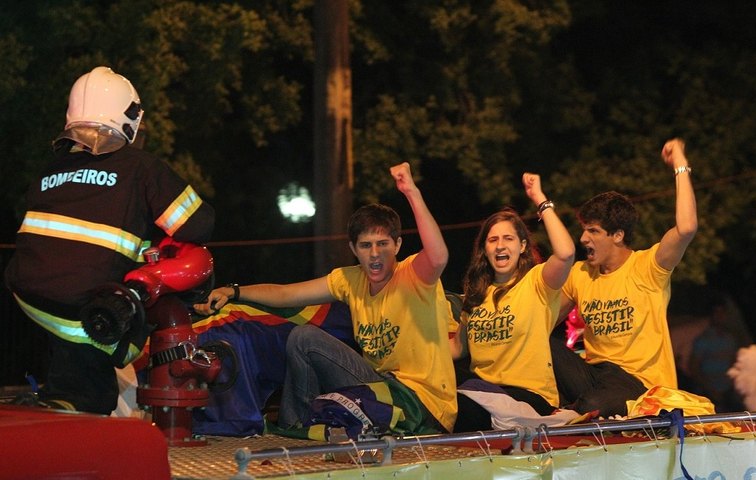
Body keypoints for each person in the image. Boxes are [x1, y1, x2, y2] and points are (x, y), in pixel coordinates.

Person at [5, 66, 215, 414]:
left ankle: (62, 396)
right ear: (130, 119)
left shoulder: (48, 170)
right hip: (89, 310)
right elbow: (198, 226)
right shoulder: (142, 168)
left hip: (27, 297)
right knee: (91, 386)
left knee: (74, 356)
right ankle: (84, 412)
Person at [195, 162, 457, 433]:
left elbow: (439, 256)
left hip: (424, 405)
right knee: (302, 337)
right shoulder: (349, 279)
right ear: (353, 249)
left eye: (383, 244)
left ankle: (297, 428)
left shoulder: (413, 274)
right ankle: (299, 428)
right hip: (381, 389)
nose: (375, 253)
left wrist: (411, 192)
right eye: (366, 246)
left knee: (306, 338)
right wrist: (233, 291)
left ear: (398, 245)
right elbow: (286, 293)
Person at [550, 138, 697, 418]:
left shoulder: (648, 267)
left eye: (593, 231)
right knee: (537, 343)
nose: (583, 238)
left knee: (596, 405)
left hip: (638, 384)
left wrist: (680, 164)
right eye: (583, 230)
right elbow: (541, 322)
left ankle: (574, 412)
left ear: (617, 235)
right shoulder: (580, 273)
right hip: (594, 374)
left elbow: (687, 227)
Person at [449, 173, 575, 432]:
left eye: (508, 239)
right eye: (492, 240)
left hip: (528, 396)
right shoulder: (476, 293)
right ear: (484, 249)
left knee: (462, 410)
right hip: (484, 393)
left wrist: (540, 200)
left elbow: (565, 253)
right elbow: (457, 349)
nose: (499, 246)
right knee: (441, 400)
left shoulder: (536, 282)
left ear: (523, 246)